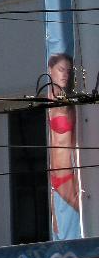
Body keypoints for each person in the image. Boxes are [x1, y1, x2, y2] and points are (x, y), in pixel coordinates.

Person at [47, 51, 81, 236]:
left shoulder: (71, 104)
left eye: (68, 71)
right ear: (50, 70)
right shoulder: (48, 96)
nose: (65, 74)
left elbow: (75, 143)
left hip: (71, 174)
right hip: (59, 178)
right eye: (61, 69)